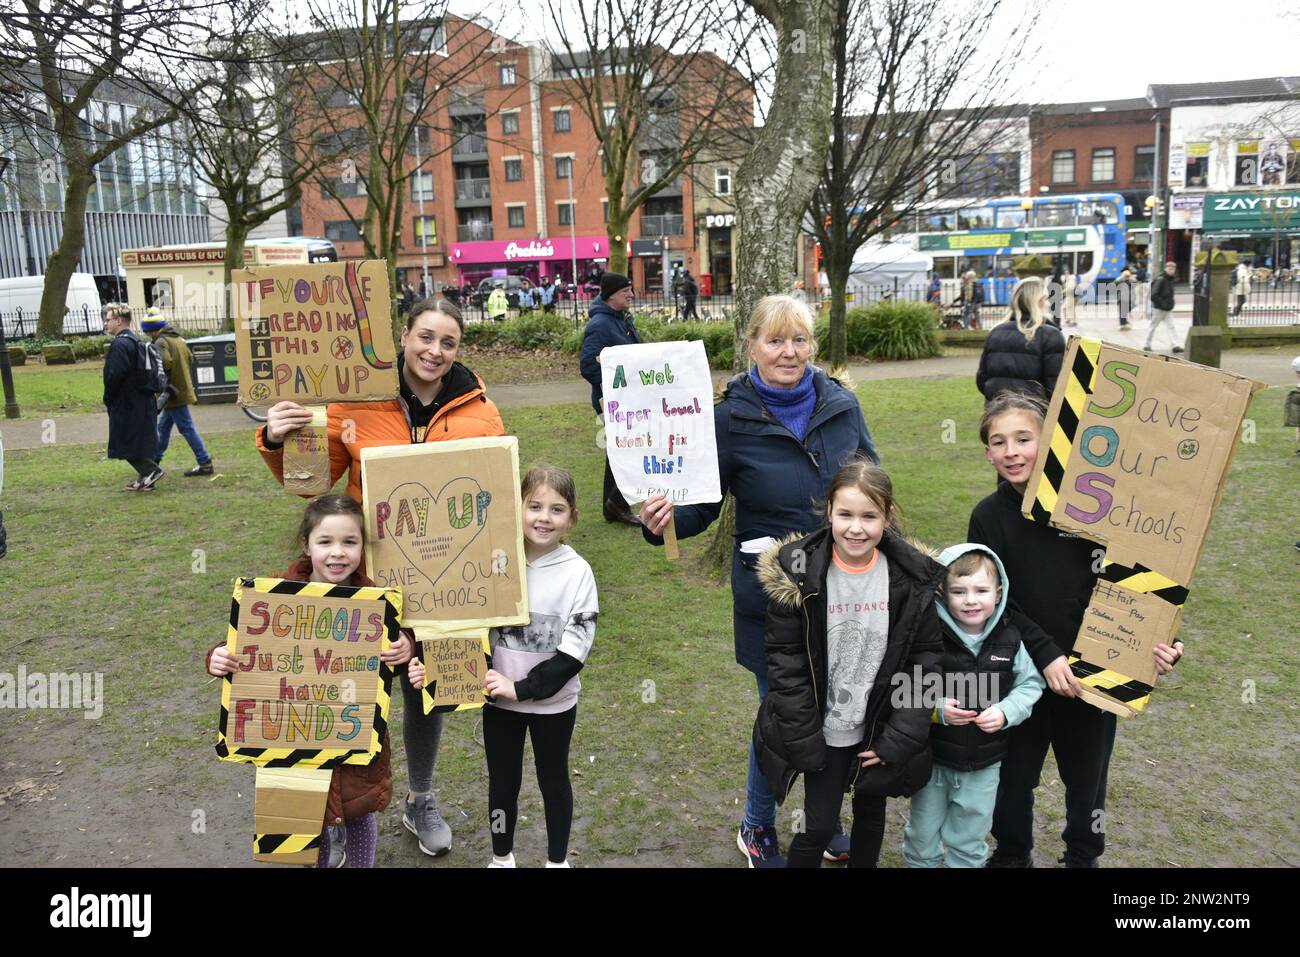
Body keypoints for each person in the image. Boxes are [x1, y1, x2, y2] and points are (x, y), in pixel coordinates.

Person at [255, 297, 505, 858]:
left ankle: (420, 798)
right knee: (347, 690)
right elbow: (310, 483)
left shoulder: (481, 411)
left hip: (448, 580)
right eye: (425, 337)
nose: (434, 351)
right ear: (404, 336)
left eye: (448, 342)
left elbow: (493, 498)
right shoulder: (358, 400)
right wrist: (277, 438)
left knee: (431, 692)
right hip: (365, 578)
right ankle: (337, 815)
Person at [640, 294, 877, 868]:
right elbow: (697, 505)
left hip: (844, 593)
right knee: (781, 717)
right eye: (774, 340)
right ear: (750, 346)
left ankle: (825, 821)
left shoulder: (841, 405)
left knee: (837, 711)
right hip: (771, 601)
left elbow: (873, 480)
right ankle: (757, 825)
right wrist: (661, 520)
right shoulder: (727, 418)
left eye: (799, 340)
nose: (788, 352)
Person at [969, 393, 1185, 867]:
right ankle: (1011, 855)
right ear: (988, 453)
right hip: (1020, 675)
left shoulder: (1098, 508)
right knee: (1013, 777)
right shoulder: (988, 517)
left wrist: (1163, 641)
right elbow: (991, 604)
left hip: (1092, 674)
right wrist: (1045, 655)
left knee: (1087, 782)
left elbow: (1138, 587)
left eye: (1025, 438)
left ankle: (1083, 857)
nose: (1012, 451)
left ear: (1053, 442)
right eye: (999, 442)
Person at [752, 458, 942, 867]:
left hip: (879, 729)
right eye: (846, 514)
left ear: (888, 518)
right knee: (818, 826)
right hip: (824, 733)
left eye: (869, 516)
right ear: (828, 512)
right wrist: (806, 739)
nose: (857, 527)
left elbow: (925, 662)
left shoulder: (912, 580)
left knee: (871, 818)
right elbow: (786, 665)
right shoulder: (798, 576)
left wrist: (898, 738)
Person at [206, 494, 413, 868]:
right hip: (290, 739)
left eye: (349, 542)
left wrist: (404, 651)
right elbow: (246, 648)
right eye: (326, 542)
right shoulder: (273, 596)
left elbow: (388, 664)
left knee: (358, 809)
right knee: (302, 821)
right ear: (306, 545)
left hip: (356, 733)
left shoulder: (376, 604)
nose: (338, 553)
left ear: (363, 547)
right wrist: (219, 657)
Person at [412, 465, 598, 868]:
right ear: (517, 508)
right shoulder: (494, 562)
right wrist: (434, 670)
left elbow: (574, 652)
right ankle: (501, 857)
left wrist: (523, 688)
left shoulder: (578, 573)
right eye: (534, 506)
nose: (544, 518)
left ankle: (557, 861)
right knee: (502, 784)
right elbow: (460, 621)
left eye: (557, 509)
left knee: (554, 782)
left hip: (553, 705)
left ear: (572, 518)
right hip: (498, 704)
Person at [901, 545, 1044, 868]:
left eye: (981, 590)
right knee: (922, 835)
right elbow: (904, 684)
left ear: (998, 593)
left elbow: (1031, 683)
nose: (970, 600)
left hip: (984, 765)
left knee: (970, 836)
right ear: (942, 593)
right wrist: (936, 708)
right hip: (933, 759)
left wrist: (1007, 711)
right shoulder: (930, 636)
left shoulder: (1010, 640)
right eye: (958, 591)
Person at [579, 272, 642, 526]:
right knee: (627, 450)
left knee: (620, 450)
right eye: (626, 290)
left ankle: (613, 506)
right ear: (611, 295)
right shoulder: (600, 325)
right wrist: (619, 386)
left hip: (629, 400)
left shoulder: (621, 319)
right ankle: (617, 504)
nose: (631, 295)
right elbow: (588, 366)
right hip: (614, 402)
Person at [142, 307, 214, 476]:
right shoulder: (179, 339)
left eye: (147, 331)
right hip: (180, 390)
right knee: (163, 428)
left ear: (152, 329)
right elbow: (190, 358)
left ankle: (205, 462)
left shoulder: (160, 342)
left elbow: (165, 363)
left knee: (186, 429)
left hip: (172, 393)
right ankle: (154, 462)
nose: (147, 335)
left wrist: (154, 371)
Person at [975, 277, 1066, 401]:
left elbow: (982, 380)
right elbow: (1056, 386)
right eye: (1045, 299)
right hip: (1033, 415)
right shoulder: (1050, 335)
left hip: (997, 412)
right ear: (1037, 302)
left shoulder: (995, 333)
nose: (1049, 303)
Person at [102, 303, 162, 491]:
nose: (106, 324)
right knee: (139, 440)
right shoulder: (136, 341)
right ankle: (145, 479)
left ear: (119, 321)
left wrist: (108, 397)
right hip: (142, 398)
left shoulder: (120, 344)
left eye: (108, 320)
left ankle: (151, 471)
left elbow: (115, 375)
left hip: (127, 401)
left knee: (124, 440)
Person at [1144, 261, 1183, 354]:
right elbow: (1153, 295)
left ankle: (1175, 346)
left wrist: (1170, 304)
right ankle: (1146, 345)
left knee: (1171, 327)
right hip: (1159, 309)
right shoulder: (1161, 279)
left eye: (1173, 268)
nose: (1171, 270)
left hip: (1167, 309)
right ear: (1166, 268)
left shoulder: (1169, 279)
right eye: (1169, 268)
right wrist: (1163, 304)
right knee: (1153, 326)